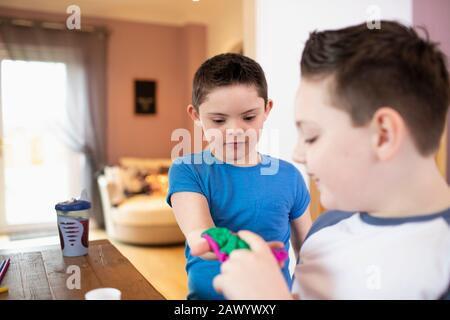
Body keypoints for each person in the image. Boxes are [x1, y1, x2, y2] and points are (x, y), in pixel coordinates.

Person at [213, 21, 450, 300]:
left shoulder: (439, 267)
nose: (297, 154)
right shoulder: (326, 228)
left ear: (384, 135)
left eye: (311, 136)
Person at [166, 53, 312, 299]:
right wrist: (256, 253)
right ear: (196, 116)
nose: (234, 131)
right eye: (219, 120)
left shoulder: (289, 176)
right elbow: (199, 237)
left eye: (248, 117)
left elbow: (309, 253)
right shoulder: (188, 169)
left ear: (266, 110)